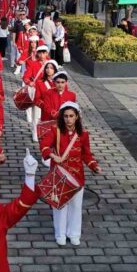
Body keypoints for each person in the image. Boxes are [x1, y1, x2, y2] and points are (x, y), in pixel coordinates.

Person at [39, 101, 101, 245]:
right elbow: (44, 145)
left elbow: (86, 154)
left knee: (76, 205)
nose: (68, 119)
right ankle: (60, 234)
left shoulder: (83, 134)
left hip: (77, 175)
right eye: (66, 116)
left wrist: (94, 166)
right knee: (59, 204)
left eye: (71, 116)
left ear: (77, 117)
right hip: (59, 173)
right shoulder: (56, 131)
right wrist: (53, 156)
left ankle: (74, 233)